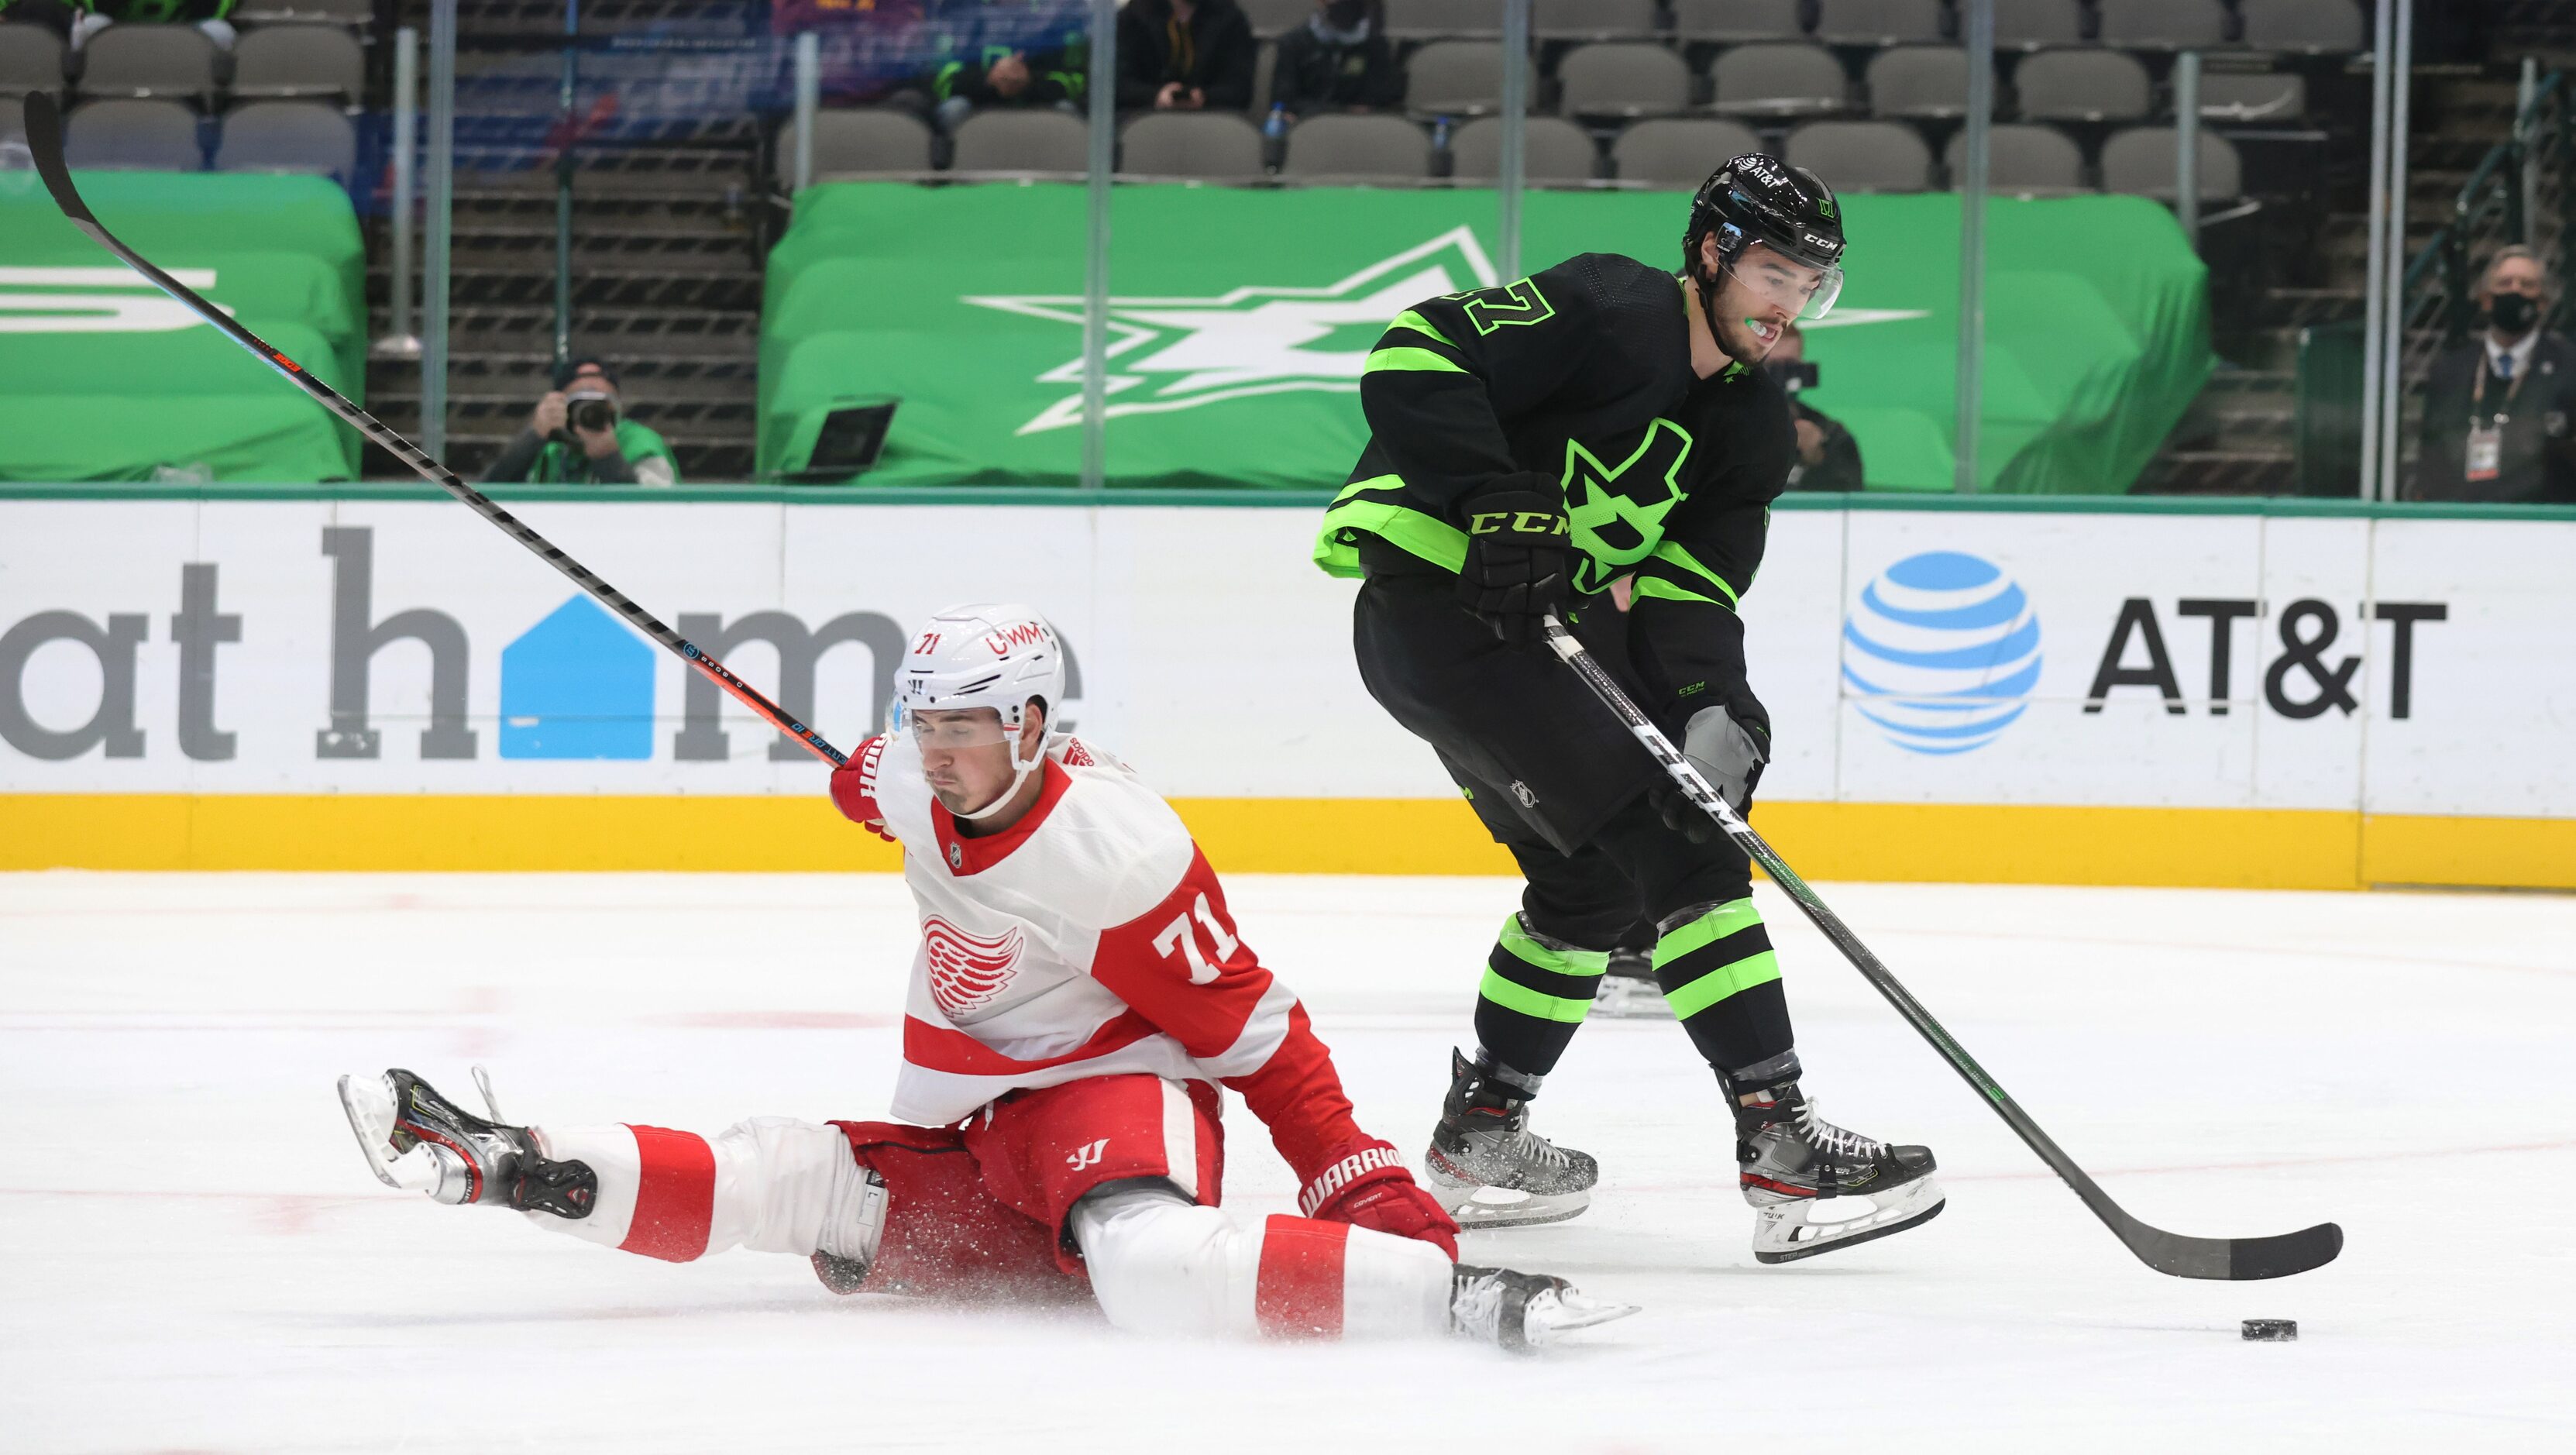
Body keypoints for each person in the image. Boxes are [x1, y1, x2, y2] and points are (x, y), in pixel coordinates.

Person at [339, 605, 1631, 1349]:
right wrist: (873, 773)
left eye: (962, 726)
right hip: (983, 1121)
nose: (934, 751)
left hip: (1111, 1098)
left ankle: (1454, 1297)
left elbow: (1260, 1038)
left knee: (1142, 1267)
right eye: (925, 725)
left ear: (1030, 724)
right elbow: (873, 785)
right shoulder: (916, 774)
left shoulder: (1118, 854)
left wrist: (1378, 1197)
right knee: (792, 1177)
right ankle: (505, 1157)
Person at [1311, 155, 1943, 1261]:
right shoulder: (1608, 305)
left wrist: (1715, 704)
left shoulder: (1749, 430)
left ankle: (1481, 1133)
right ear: (1709, 253)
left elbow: (1689, 590)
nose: (1788, 306)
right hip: (1440, 609)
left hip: (1529, 636)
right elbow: (1417, 351)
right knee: (1681, 849)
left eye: (1809, 286)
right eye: (1774, 274)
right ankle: (1778, 1139)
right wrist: (1491, 495)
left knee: (1591, 882)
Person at [2416, 245, 2576, 504]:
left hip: (2546, 524)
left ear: (2543, 302)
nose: (2515, 291)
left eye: (2527, 285)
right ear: (2487, 299)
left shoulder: (2569, 366)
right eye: (2505, 283)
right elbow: (2432, 454)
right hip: (2462, 521)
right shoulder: (2450, 371)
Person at [479, 357, 679, 487]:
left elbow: (656, 513)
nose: (589, 412)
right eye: (579, 402)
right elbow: (486, 498)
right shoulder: (550, 448)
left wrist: (608, 458)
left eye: (601, 403)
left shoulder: (640, 442)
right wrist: (533, 437)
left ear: (617, 406)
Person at [1768, 323, 1865, 492]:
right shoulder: (1722, 427)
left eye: (1790, 365)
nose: (1782, 375)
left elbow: (1850, 503)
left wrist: (1815, 456)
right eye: (1772, 365)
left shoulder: (1829, 435)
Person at [1116, 0, 1257, 114]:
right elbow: (1118, 83)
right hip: (1141, 118)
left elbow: (1239, 88)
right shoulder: (1134, 17)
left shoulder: (1230, 19)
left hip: (1213, 121)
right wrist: (1156, 96)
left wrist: (1204, 97)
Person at [1269, 0, 1401, 121]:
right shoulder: (1293, 43)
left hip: (1358, 128)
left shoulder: (1375, 44)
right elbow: (1283, 98)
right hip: (1305, 124)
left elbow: (1379, 96)